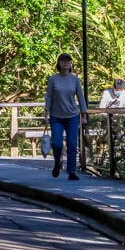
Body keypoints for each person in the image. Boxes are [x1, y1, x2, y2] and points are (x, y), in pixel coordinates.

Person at [44, 53, 87, 181]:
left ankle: (72, 171)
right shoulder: (53, 79)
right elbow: (49, 97)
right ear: (59, 63)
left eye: (68, 61)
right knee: (57, 143)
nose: (66, 63)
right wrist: (46, 113)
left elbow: (80, 97)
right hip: (56, 116)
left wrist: (84, 114)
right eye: (63, 61)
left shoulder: (75, 80)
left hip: (72, 115)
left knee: (72, 143)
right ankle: (57, 161)